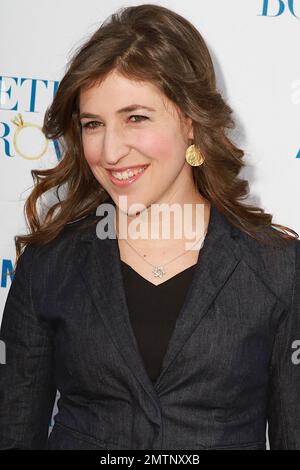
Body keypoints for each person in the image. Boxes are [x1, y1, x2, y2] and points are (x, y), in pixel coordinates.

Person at [0, 3, 299, 450]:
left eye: (135, 118)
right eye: (93, 124)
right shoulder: (49, 265)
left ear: (192, 120)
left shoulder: (277, 268)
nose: (110, 150)